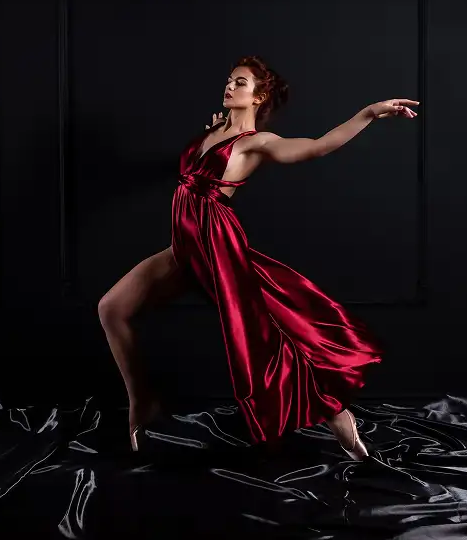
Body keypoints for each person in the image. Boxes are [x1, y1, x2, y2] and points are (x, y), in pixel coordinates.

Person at [97, 55, 419, 459]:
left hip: (216, 249)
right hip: (184, 250)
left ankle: (337, 414)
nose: (230, 87)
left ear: (259, 95)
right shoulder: (213, 130)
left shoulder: (255, 144)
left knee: (267, 340)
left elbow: (318, 147)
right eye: (230, 81)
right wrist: (214, 130)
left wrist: (368, 113)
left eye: (241, 83)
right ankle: (143, 401)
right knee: (112, 309)